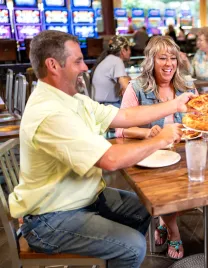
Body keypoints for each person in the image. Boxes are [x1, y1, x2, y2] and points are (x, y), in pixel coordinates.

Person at [8, 30, 194, 268]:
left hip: (83, 198)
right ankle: (119, 254)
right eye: (77, 61)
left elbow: (124, 115)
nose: (85, 67)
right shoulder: (50, 113)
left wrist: (175, 104)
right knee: (134, 246)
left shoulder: (73, 99)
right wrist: (159, 139)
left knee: (146, 207)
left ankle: (108, 256)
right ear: (53, 65)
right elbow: (109, 159)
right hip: (50, 218)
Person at [115, 36, 195, 260]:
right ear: (151, 60)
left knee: (190, 185)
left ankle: (162, 220)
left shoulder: (186, 86)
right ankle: (173, 230)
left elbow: (200, 120)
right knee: (166, 191)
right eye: (162, 58)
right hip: (151, 155)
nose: (169, 64)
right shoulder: (136, 87)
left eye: (173, 58)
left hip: (183, 152)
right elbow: (121, 130)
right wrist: (147, 133)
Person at [91, 36, 132, 107]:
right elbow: (127, 87)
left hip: (101, 104)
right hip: (107, 105)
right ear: (123, 50)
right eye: (129, 49)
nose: (130, 52)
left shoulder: (109, 59)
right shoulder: (116, 61)